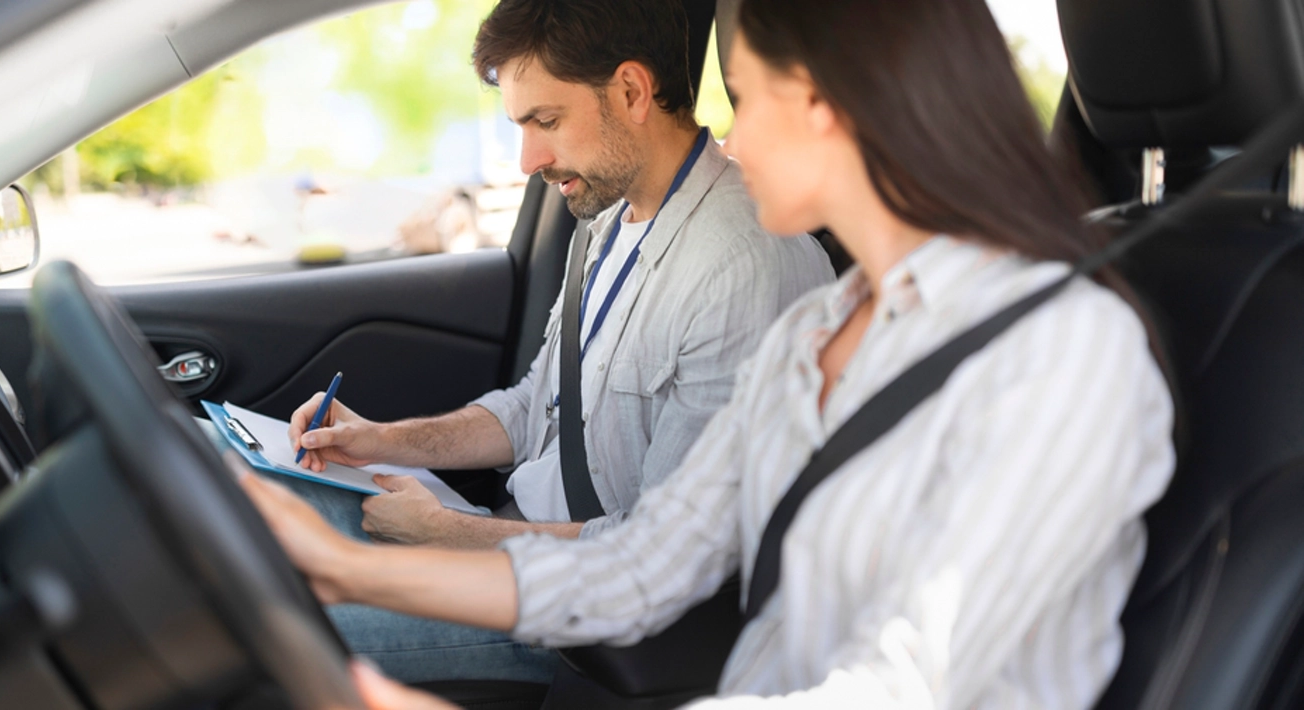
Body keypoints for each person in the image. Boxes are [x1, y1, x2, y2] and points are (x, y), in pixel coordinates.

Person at [255, 0, 1175, 706]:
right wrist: (347, 568)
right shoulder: (820, 333)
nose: (732, 138)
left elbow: (900, 688)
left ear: (826, 104)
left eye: (749, 99)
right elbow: (646, 562)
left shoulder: (1061, 352)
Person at [270, 0, 835, 687]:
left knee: (263, 628)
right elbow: (533, 405)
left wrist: (448, 536)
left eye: (546, 121)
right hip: (504, 539)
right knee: (256, 531)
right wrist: (382, 440)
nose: (529, 158)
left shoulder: (744, 263)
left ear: (632, 92)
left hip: (577, 623)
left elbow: (662, 555)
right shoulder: (607, 219)